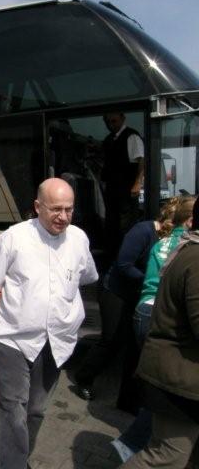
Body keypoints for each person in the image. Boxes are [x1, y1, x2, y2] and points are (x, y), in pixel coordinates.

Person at [0, 178, 98, 468]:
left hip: (57, 341)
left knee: (36, 409)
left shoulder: (79, 240)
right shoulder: (14, 238)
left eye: (69, 209)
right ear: (38, 207)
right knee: (13, 408)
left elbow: (87, 276)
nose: (63, 216)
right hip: (13, 339)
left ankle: (19, 453)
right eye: (56, 209)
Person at [73, 197, 182, 407]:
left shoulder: (171, 238)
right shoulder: (143, 231)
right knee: (112, 340)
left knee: (134, 346)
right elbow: (124, 264)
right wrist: (151, 279)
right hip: (116, 291)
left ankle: (128, 399)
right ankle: (84, 377)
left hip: (139, 294)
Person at [112, 195, 196, 462]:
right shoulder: (190, 249)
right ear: (190, 220)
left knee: (158, 386)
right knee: (167, 392)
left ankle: (136, 439)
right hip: (157, 312)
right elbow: (124, 265)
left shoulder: (166, 242)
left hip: (146, 309)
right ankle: (133, 442)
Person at [101, 112, 145, 259]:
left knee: (125, 227)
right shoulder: (108, 140)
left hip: (126, 191)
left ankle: (126, 259)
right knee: (112, 226)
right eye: (108, 122)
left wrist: (137, 183)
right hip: (112, 191)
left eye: (114, 121)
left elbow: (141, 160)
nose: (111, 125)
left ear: (123, 118)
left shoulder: (131, 136)